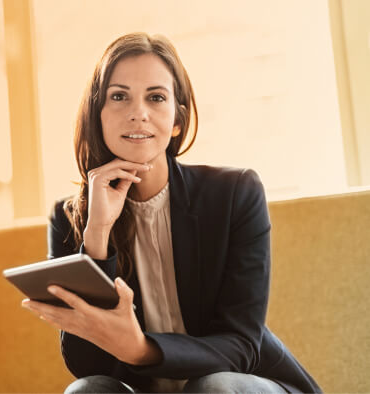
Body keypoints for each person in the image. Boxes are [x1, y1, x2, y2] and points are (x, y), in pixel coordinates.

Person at [22, 32, 321, 393]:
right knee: (86, 391)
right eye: (119, 97)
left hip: (246, 386)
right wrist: (97, 236)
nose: (138, 113)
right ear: (98, 116)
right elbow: (87, 366)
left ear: (177, 120)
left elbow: (241, 346)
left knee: (214, 388)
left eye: (156, 97)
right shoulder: (70, 217)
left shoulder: (235, 194)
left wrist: (141, 349)